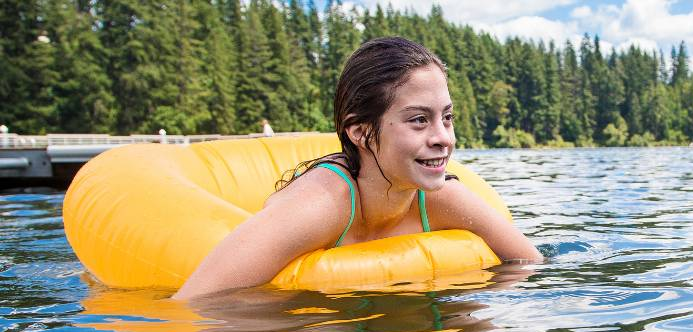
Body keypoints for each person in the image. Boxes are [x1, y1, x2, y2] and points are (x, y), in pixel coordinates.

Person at [174, 37, 542, 300]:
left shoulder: (444, 197)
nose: (443, 138)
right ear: (361, 132)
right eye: (418, 120)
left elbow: (530, 264)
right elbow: (198, 301)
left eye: (447, 117)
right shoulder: (319, 206)